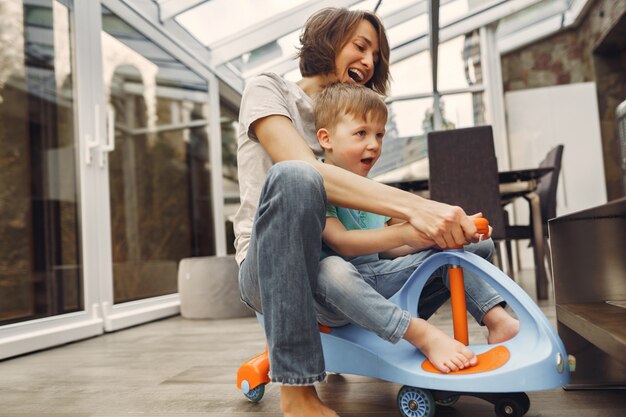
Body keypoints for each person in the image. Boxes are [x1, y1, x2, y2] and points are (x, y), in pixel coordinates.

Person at [234, 7, 515, 417]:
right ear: (327, 41)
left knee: (475, 246)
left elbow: (369, 235)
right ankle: (296, 391)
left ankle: (490, 316)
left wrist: (422, 232)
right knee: (296, 178)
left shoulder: (353, 118)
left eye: (377, 56)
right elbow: (308, 172)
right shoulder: (268, 89)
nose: (369, 62)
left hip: (345, 274)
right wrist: (417, 211)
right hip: (270, 268)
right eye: (360, 47)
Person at [312, 81, 519, 360]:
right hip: (337, 296)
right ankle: (417, 332)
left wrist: (440, 236)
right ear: (326, 139)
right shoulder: (317, 184)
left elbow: (388, 251)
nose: (373, 145)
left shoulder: (372, 190)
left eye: (380, 135)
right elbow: (342, 243)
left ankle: (497, 321)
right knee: (330, 269)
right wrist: (407, 234)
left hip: (380, 279)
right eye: (361, 133)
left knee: (476, 248)